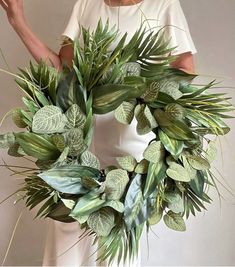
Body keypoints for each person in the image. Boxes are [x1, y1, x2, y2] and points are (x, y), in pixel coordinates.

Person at [0, 0, 197, 266]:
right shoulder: (86, 4)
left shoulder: (162, 5)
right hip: (81, 147)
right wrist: (18, 22)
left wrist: (138, 93)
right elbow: (63, 72)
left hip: (132, 155)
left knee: (114, 253)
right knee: (64, 245)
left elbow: (185, 70)